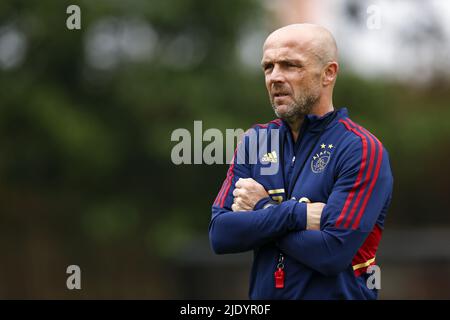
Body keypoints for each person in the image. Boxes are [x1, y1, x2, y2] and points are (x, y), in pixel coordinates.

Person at [209, 23, 393, 299]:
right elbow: (221, 234)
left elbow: (331, 253)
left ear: (328, 73)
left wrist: (261, 208)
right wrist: (298, 215)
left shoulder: (361, 149)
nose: (275, 77)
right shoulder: (256, 141)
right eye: (268, 67)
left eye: (290, 65)